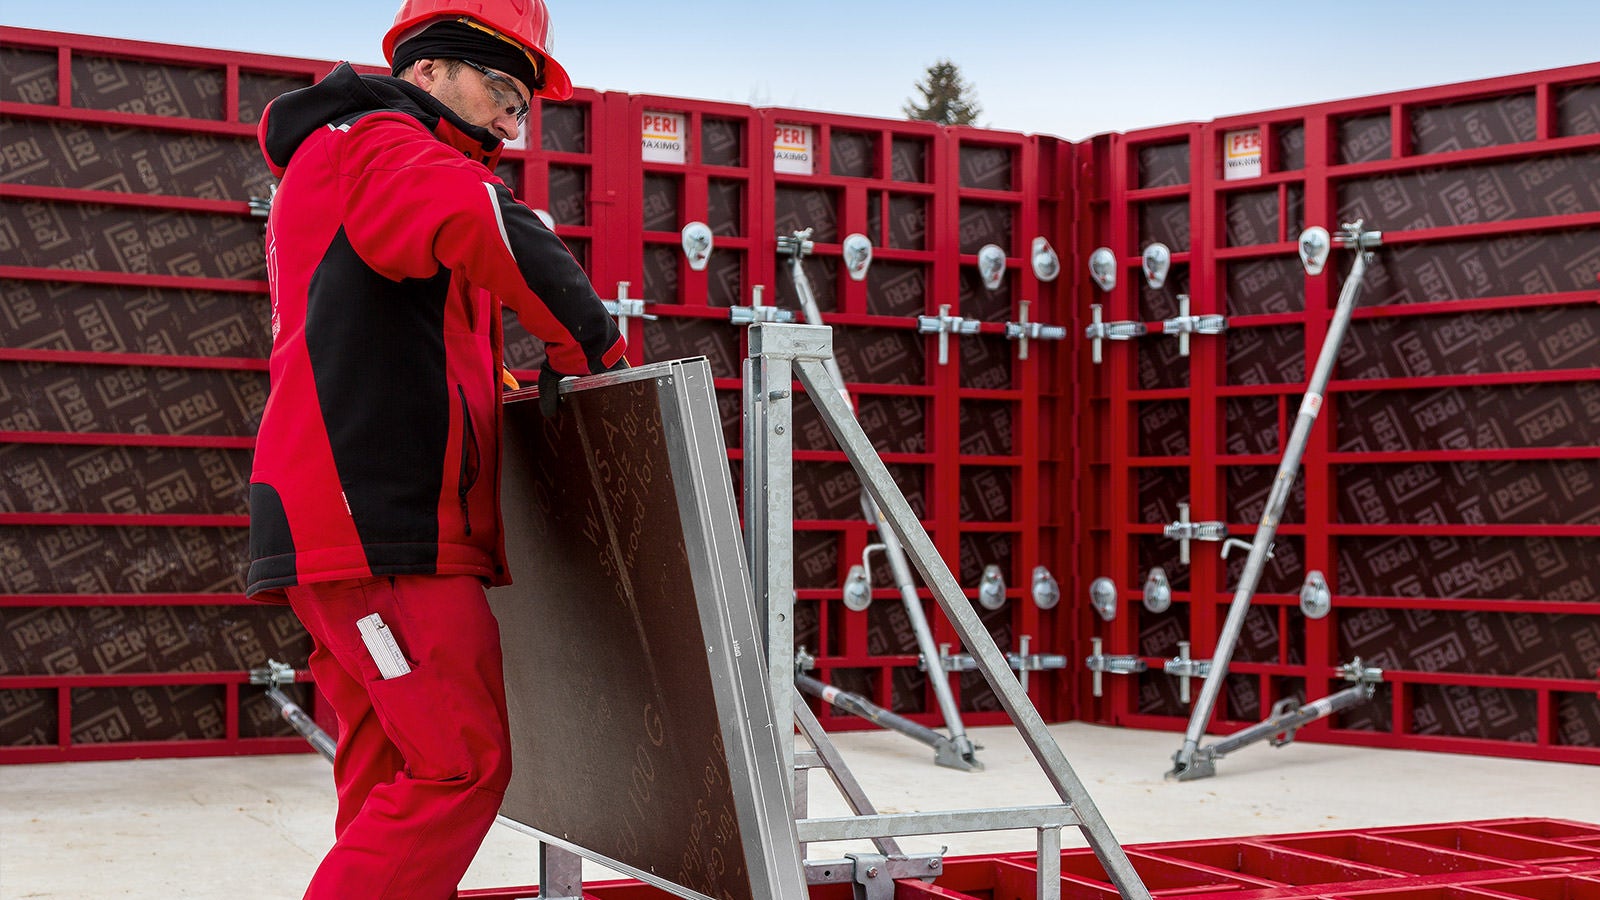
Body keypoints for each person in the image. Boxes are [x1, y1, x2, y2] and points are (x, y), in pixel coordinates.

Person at [245, 1, 626, 896]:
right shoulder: (382, 147)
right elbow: (495, 226)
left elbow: (410, 341)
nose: (511, 123)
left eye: (523, 107)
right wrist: (594, 356)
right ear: (427, 71)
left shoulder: (349, 157)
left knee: (389, 771)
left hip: (347, 526)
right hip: (383, 530)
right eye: (500, 92)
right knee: (461, 764)